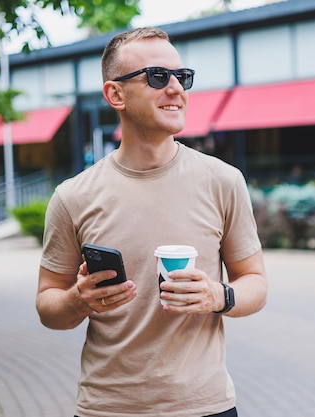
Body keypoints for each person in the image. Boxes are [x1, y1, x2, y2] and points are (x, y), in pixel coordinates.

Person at [36, 27, 268, 417]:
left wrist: (219, 296)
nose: (176, 88)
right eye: (158, 76)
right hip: (107, 408)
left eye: (183, 77)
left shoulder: (223, 181)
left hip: (205, 406)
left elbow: (256, 283)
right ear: (115, 94)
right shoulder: (73, 196)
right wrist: (78, 301)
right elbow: (47, 305)